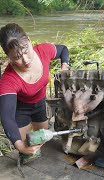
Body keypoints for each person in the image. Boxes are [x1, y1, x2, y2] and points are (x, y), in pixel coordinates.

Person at [0, 23, 70, 157]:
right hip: (21, 109)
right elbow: (7, 117)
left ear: (29, 41)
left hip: (40, 104)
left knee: (41, 141)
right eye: (17, 57)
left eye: (26, 51)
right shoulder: (8, 80)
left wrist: (65, 65)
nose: (25, 60)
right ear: (8, 57)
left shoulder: (43, 51)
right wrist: (19, 145)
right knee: (26, 148)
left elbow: (63, 50)